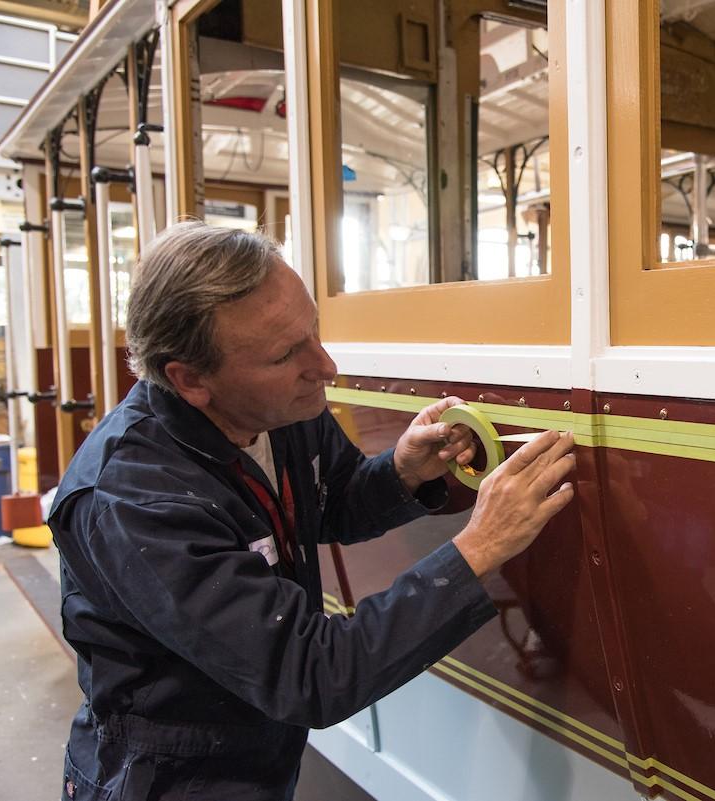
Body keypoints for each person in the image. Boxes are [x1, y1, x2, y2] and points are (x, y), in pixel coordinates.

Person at [49, 221, 576, 801]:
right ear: (189, 379)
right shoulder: (134, 499)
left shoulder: (278, 409)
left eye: (314, 332)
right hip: (167, 779)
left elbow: (332, 501)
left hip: (261, 755)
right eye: (284, 355)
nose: (324, 366)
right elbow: (312, 676)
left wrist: (402, 471)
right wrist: (479, 549)